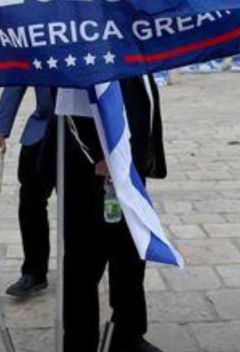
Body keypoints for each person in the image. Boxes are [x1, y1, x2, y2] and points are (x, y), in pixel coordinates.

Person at [62, 76, 166, 352]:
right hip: (95, 171)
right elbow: (69, 103)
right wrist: (98, 154)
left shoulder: (130, 42)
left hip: (130, 166)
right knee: (85, 263)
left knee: (130, 254)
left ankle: (128, 335)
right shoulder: (87, 39)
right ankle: (80, 341)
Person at [0, 86, 57, 298]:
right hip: (42, 129)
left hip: (84, 130)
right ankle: (34, 272)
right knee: (30, 200)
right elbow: (16, 75)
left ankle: (79, 271)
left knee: (79, 205)